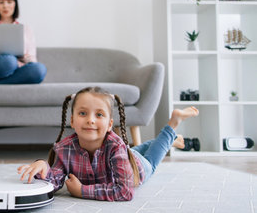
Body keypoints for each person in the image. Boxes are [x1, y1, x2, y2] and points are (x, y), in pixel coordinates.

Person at [17, 86, 199, 201]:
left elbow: (125, 192)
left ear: (110, 124)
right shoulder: (64, 148)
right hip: (124, 153)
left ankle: (173, 123)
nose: (90, 120)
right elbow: (55, 182)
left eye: (99, 115)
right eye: (82, 113)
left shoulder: (115, 146)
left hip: (136, 165)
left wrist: (82, 191)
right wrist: (43, 168)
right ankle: (170, 141)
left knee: (151, 159)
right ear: (72, 120)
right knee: (133, 149)